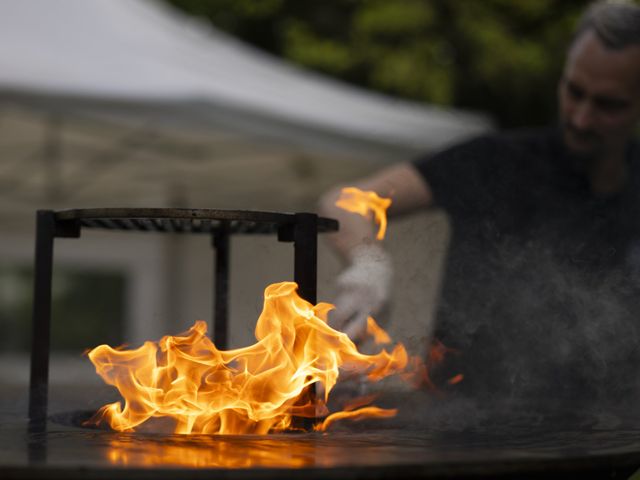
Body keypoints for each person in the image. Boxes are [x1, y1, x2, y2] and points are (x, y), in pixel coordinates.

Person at [318, 0, 640, 409]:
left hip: (600, 447)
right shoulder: (494, 162)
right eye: (574, 92)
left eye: (608, 105)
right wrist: (369, 265)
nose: (580, 117)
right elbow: (345, 202)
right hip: (456, 440)